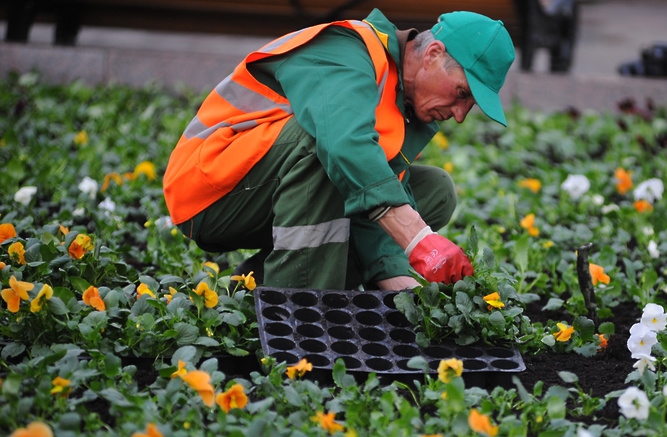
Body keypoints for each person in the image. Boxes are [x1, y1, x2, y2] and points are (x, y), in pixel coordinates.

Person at [163, 8, 515, 291]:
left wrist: (408, 294)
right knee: (331, 145)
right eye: (463, 94)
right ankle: (297, 305)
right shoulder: (348, 49)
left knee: (434, 191)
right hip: (210, 192)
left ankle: (255, 288)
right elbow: (342, 146)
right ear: (433, 55)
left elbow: (373, 202)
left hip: (270, 190)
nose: (459, 115)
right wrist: (419, 240)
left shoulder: (410, 105)